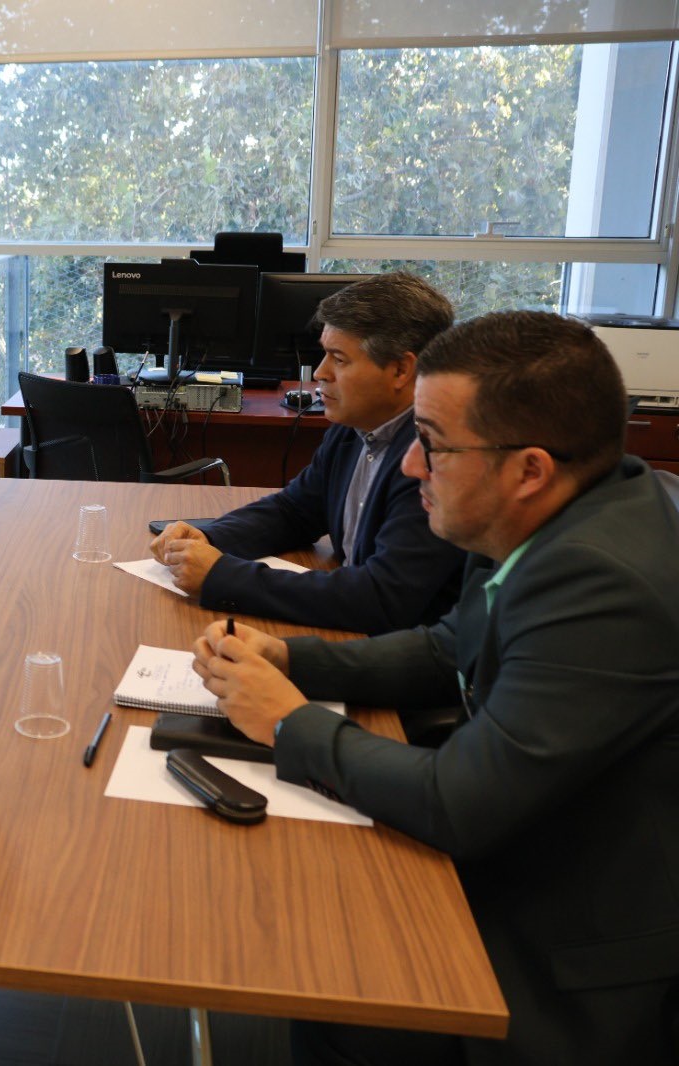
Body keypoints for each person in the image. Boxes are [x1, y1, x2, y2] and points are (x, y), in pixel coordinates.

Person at [190, 311, 679, 1065]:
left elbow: (458, 802)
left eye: (435, 445)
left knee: (325, 977)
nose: (412, 466)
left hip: (571, 953)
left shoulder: (601, 584)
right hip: (530, 837)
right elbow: (450, 644)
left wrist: (288, 723)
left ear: (529, 469)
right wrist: (291, 658)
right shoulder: (547, 512)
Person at [150, 272, 465, 635]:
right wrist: (212, 538)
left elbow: (382, 598)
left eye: (339, 359)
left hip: (408, 653)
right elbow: (295, 511)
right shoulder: (354, 427)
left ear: (400, 370)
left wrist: (222, 576)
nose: (320, 372)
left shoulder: (434, 458)